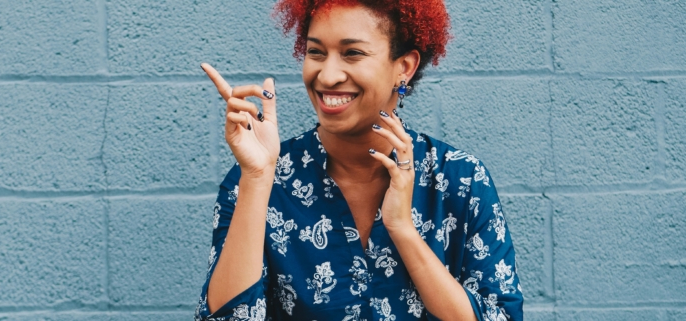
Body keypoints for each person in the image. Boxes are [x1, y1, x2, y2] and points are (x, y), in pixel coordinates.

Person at [195, 0, 523, 320]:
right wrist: (256, 177)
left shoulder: (460, 179)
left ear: (404, 68)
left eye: (353, 53)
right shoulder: (258, 178)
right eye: (316, 52)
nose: (328, 75)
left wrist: (403, 230)